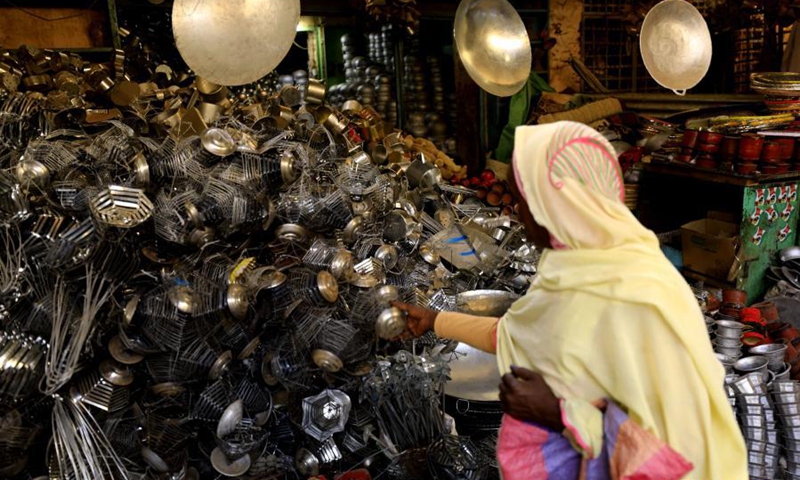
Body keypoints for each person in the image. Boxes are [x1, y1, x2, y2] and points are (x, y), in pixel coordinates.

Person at [393, 121, 747, 479]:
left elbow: (667, 446)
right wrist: (434, 320)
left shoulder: (634, 292)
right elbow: (516, 334)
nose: (515, 213)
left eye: (523, 200)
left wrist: (558, 414)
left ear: (554, 205)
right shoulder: (569, 270)